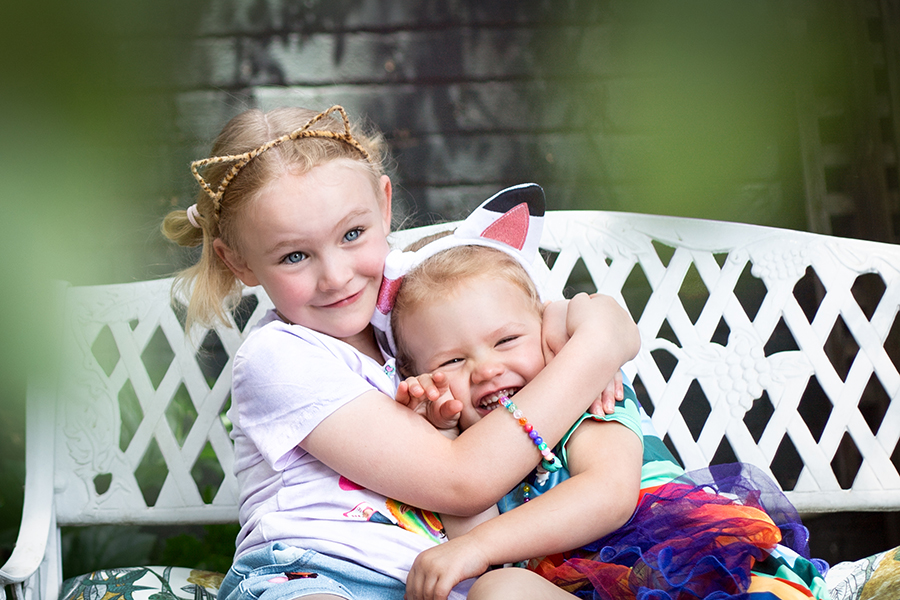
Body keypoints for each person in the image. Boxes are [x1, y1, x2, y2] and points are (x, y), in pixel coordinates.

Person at [160, 105, 641, 600]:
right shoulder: (278, 356)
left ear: (384, 205)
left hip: (442, 584)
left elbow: (545, 319)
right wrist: (597, 352)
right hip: (313, 575)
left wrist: (597, 323)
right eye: (294, 256)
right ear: (238, 261)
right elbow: (463, 481)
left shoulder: (413, 317)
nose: (336, 276)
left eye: (352, 235)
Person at [382, 194, 831, 600]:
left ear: (547, 328)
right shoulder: (468, 452)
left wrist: (477, 546)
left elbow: (609, 495)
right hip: (579, 589)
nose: (487, 369)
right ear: (417, 376)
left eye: (506, 341)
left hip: (681, 567)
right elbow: (481, 554)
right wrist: (440, 434)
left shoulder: (588, 396)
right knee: (499, 589)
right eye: (451, 363)